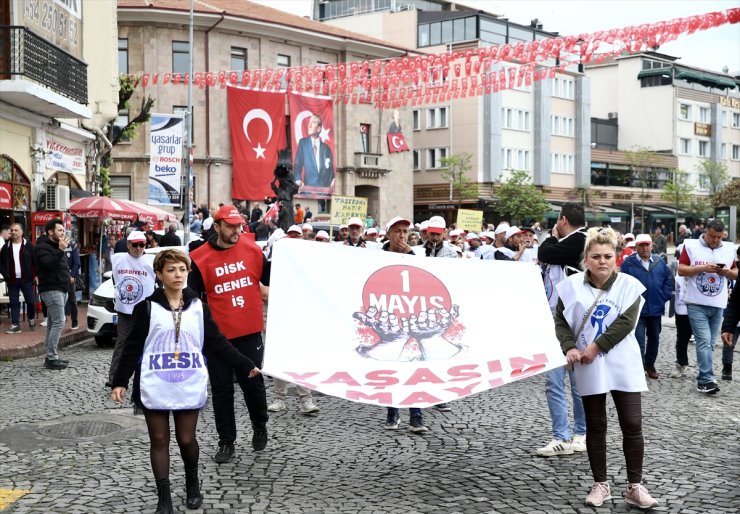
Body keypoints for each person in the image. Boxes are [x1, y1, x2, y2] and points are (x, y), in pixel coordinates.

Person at [111, 249, 260, 514]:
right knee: (158, 440)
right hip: (155, 382)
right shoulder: (146, 307)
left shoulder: (199, 308)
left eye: (182, 269)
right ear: (159, 274)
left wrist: (245, 364)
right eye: (170, 270)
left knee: (186, 438)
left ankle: (192, 483)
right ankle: (164, 498)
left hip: (187, 382)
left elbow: (218, 344)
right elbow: (132, 346)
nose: (177, 274)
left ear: (189, 272)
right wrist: (120, 380)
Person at [556, 227, 658, 509]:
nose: (602, 261)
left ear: (616, 258)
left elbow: (626, 322)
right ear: (586, 259)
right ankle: (600, 484)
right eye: (596, 256)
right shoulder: (571, 286)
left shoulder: (630, 286)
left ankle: (635, 486)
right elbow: (561, 321)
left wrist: (596, 346)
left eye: (608, 256)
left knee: (632, 423)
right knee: (596, 425)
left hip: (622, 360)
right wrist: (570, 347)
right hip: (588, 364)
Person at [188, 205, 271, 463]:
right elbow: (192, 297)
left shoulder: (253, 250)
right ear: (217, 227)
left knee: (253, 385)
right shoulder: (199, 258)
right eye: (231, 226)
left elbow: (274, 278)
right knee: (222, 390)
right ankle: (227, 442)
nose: (237, 230)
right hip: (218, 338)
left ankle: (260, 424)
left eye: (239, 226)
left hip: (249, 332)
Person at [536, 203, 587, 457]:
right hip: (554, 320)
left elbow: (545, 252)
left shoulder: (579, 241)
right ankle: (561, 436)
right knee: (554, 381)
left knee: (577, 382)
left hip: (575, 323)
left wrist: (552, 237)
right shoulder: (570, 241)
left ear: (563, 220)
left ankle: (581, 433)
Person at [677, 219, 737, 394]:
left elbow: (735, 274)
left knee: (710, 343)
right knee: (703, 341)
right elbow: (681, 270)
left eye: (719, 237)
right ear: (705, 232)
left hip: (718, 304)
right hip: (696, 303)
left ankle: (705, 376)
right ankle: (705, 379)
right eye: (712, 236)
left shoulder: (728, 249)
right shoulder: (691, 246)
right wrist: (702, 268)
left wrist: (727, 272)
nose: (716, 240)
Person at [381, 216, 428, 433]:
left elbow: (423, 280)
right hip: (387, 320)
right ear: (389, 233)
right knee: (391, 367)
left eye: (405, 231)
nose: (402, 235)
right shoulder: (377, 257)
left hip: (412, 320)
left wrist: (409, 254)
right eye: (398, 231)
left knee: (413, 366)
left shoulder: (415, 256)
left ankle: (416, 415)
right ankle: (392, 412)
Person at [619, 234, 673, 379]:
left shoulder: (659, 262)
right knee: (638, 340)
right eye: (641, 245)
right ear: (636, 246)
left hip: (656, 308)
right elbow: (622, 284)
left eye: (647, 245)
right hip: (636, 309)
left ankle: (650, 365)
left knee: (654, 339)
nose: (644, 248)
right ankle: (638, 367)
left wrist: (663, 296)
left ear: (651, 245)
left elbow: (668, 280)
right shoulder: (628, 263)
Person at [107, 231, 156, 386]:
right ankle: (114, 378)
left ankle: (146, 378)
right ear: (128, 245)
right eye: (135, 245)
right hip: (125, 311)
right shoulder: (118, 259)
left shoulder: (152, 261)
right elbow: (115, 279)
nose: (138, 248)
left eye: (142, 244)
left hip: (145, 311)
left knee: (147, 343)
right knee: (122, 343)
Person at [34, 219, 71, 370]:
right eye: (60, 230)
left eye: (63, 230)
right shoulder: (42, 247)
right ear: (50, 232)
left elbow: (61, 266)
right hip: (51, 289)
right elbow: (48, 264)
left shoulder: (56, 246)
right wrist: (61, 250)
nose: (63, 233)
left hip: (61, 288)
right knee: (59, 322)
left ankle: (51, 356)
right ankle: (52, 357)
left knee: (52, 323)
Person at [0, 223, 36, 333]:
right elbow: (1, 263)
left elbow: (35, 262)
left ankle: (31, 319)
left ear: (21, 232)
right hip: (12, 280)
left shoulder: (29, 246)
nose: (14, 232)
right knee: (14, 302)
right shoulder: (6, 247)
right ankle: (15, 325)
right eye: (12, 230)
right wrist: (5, 275)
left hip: (27, 279)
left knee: (30, 301)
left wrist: (36, 275)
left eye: (16, 230)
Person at [669, 243, 694, 378]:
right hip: (681, 307)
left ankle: (705, 368)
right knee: (683, 336)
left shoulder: (697, 264)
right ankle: (681, 362)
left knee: (703, 338)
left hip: (697, 305)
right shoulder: (674, 267)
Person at [293, 114, 334, 188]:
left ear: (319, 128)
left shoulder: (326, 149)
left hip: (323, 193)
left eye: (313, 122)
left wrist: (332, 181)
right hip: (307, 190)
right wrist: (298, 180)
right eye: (309, 122)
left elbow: (330, 171)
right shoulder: (303, 144)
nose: (309, 125)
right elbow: (297, 165)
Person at [720, 250, 740, 381]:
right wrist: (727, 327)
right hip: (735, 321)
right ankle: (727, 366)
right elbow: (736, 301)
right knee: (729, 344)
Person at [64, 236, 81, 330]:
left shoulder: (72, 246)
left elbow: (77, 263)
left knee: (72, 300)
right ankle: (61, 317)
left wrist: (72, 275)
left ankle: (75, 321)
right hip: (59, 277)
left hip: (69, 277)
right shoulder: (56, 245)